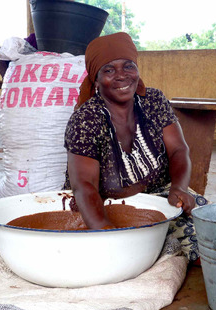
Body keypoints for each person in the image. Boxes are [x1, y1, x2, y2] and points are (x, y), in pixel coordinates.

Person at [64, 32, 206, 261]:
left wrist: (179, 187)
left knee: (213, 227)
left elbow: (178, 150)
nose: (121, 76)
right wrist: (104, 231)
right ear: (96, 80)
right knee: (132, 251)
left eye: (128, 66)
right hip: (101, 203)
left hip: (158, 194)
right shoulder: (86, 120)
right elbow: (84, 186)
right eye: (109, 70)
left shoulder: (154, 101)